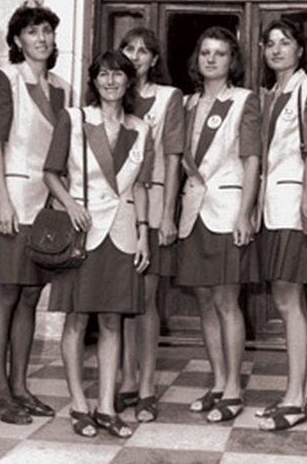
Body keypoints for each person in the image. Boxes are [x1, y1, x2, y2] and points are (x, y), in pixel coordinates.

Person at [44, 51, 152, 439]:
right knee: (76, 319)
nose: (110, 81)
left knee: (112, 320)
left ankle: (106, 406)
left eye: (118, 74)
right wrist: (70, 205)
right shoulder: (74, 119)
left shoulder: (141, 128)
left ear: (129, 81)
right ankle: (78, 403)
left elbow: (141, 186)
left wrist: (143, 233)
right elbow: (50, 173)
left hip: (122, 234)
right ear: (94, 81)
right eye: (103, 75)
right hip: (82, 232)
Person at [0, 5, 71, 425]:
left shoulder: (62, 89)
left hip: (46, 205)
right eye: (33, 32)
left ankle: (20, 385)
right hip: (14, 200)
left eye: (47, 31)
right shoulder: (6, 78)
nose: (41, 39)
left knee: (31, 294)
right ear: (18, 40)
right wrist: (0, 198)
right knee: (7, 292)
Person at [176, 26, 261, 423]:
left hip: (227, 211)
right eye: (205, 52)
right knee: (205, 302)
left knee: (227, 301)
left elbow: (252, 160)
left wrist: (246, 213)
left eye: (220, 53)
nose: (211, 59)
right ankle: (217, 382)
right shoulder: (187, 103)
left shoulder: (244, 100)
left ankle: (233, 390)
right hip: (193, 211)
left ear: (232, 61)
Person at [254, 19, 307, 431]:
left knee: (290, 299)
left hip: (294, 206)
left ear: (300, 49)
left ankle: (296, 397)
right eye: (270, 43)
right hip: (270, 209)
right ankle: (299, 391)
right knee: (284, 299)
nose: (276, 49)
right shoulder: (268, 95)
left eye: (285, 42)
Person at [115, 27, 184, 423]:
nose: (136, 56)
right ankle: (126, 378)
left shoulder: (167, 97)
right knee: (121, 298)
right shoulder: (110, 94)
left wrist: (169, 213)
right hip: (115, 208)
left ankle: (146, 387)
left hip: (154, 204)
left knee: (145, 297)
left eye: (144, 51)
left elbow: (173, 159)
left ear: (155, 59)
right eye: (129, 48)